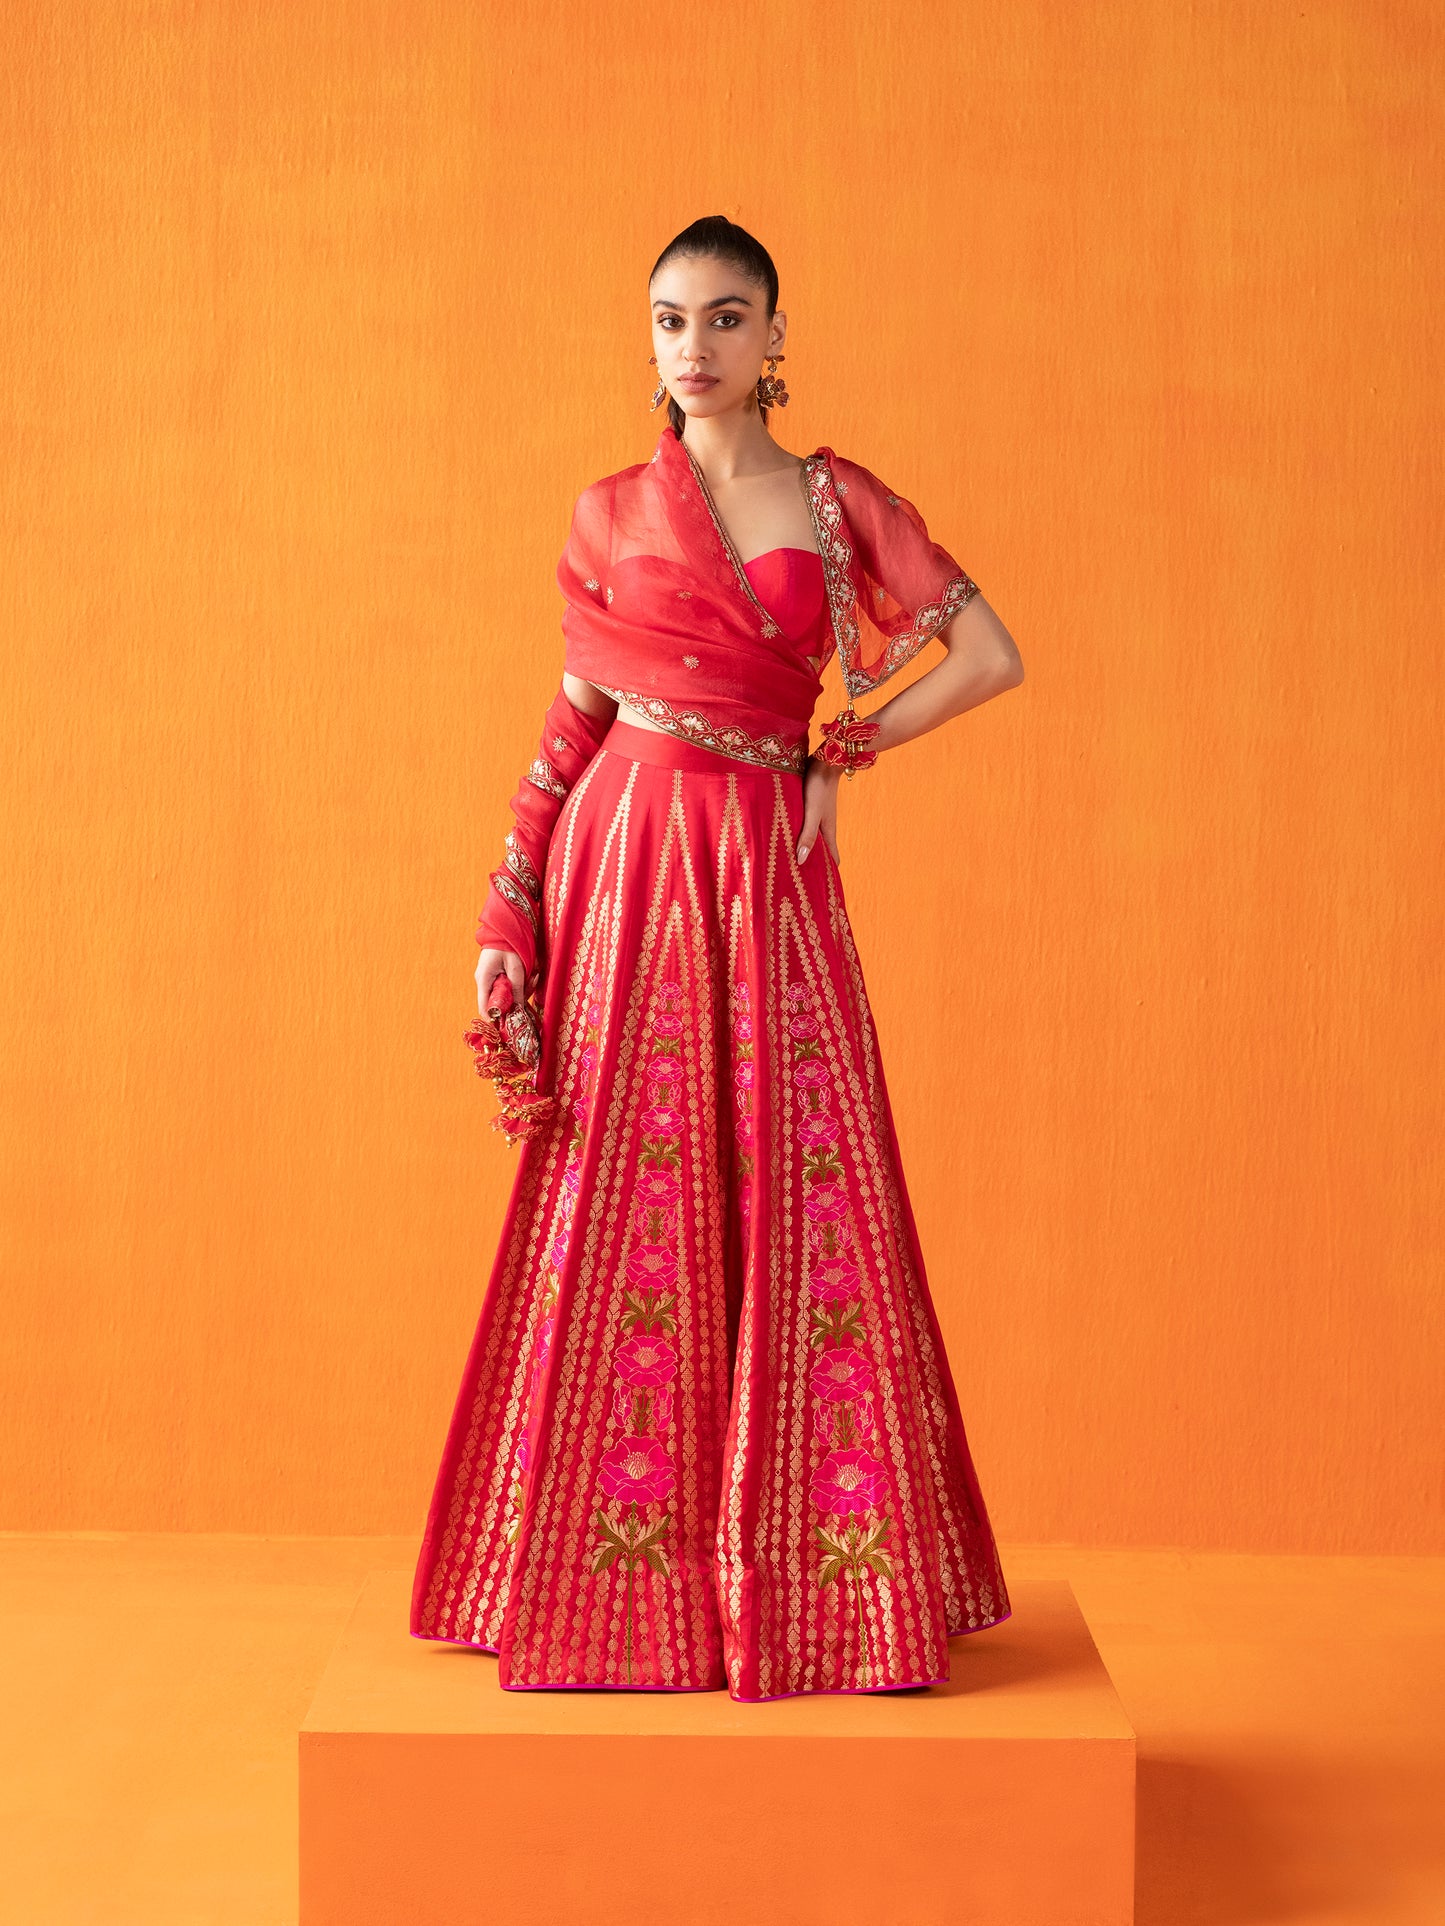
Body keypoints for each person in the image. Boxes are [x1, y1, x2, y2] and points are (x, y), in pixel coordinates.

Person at [410, 216, 1025, 1702]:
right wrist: (507, 911)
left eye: (727, 316)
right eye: (671, 320)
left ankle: (819, 1593)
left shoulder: (836, 501)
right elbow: (572, 728)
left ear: (774, 337)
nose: (695, 345)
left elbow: (990, 653)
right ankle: (600, 1585)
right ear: (652, 340)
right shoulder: (613, 509)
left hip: (764, 864)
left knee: (801, 1186)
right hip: (624, 863)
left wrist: (844, 748)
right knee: (626, 1190)